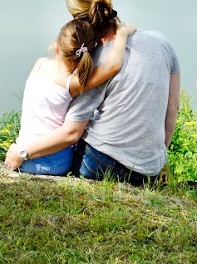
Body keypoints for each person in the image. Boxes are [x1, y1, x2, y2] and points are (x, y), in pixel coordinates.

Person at [5, 0, 180, 185]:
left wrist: (23, 152)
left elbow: (72, 132)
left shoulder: (94, 63)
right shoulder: (161, 42)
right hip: (149, 170)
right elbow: (173, 106)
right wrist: (157, 161)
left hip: (102, 165)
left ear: (77, 18)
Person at [9, 17, 136, 176]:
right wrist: (122, 34)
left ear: (57, 46)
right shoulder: (71, 84)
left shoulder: (40, 64)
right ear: (86, 57)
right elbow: (113, 65)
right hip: (54, 164)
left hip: (26, 159)